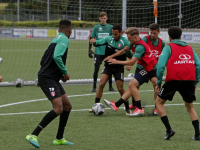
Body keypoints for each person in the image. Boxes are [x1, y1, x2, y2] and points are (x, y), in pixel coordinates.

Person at [25, 20, 74, 148]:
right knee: (58, 108)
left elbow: (43, 60)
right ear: (70, 30)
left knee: (67, 106)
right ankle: (33, 134)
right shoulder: (64, 39)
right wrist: (65, 72)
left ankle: (59, 138)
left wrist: (59, 74)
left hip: (50, 77)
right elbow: (57, 57)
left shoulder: (55, 39)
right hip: (48, 78)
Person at [155, 26, 200, 140]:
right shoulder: (190, 48)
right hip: (189, 80)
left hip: (174, 80)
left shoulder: (168, 47)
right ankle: (197, 134)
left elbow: (160, 67)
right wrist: (195, 82)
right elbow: (198, 65)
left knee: (159, 103)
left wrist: (158, 83)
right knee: (190, 107)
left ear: (169, 37)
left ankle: (169, 130)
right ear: (181, 36)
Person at [103, 27, 158, 117]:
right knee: (132, 85)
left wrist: (116, 61)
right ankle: (116, 105)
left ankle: (140, 109)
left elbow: (132, 62)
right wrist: (111, 56)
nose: (128, 40)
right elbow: (122, 51)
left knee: (133, 84)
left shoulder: (140, 47)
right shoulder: (133, 43)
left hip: (150, 69)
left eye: (129, 38)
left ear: (135, 37)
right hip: (144, 67)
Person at [89, 24, 133, 115]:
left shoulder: (125, 42)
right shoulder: (109, 39)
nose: (114, 36)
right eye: (113, 34)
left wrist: (128, 56)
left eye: (116, 34)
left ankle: (127, 108)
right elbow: (99, 42)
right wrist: (93, 41)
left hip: (118, 68)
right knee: (101, 83)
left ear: (121, 33)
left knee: (120, 88)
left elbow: (130, 55)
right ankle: (95, 105)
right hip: (108, 66)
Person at [128, 23, 165, 115]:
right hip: (141, 67)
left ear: (159, 32)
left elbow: (163, 56)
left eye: (154, 33)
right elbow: (133, 48)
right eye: (151, 33)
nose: (152, 35)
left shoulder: (162, 43)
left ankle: (157, 107)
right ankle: (134, 104)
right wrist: (129, 61)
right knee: (135, 85)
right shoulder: (145, 39)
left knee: (156, 84)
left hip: (152, 68)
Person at [89, 11, 115, 92]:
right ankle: (94, 87)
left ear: (106, 18)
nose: (103, 19)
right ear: (99, 18)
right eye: (102, 18)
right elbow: (91, 39)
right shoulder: (96, 27)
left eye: (104, 18)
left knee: (109, 69)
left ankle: (110, 86)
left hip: (107, 52)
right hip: (98, 52)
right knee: (96, 69)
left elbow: (112, 39)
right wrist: (89, 49)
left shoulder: (110, 27)